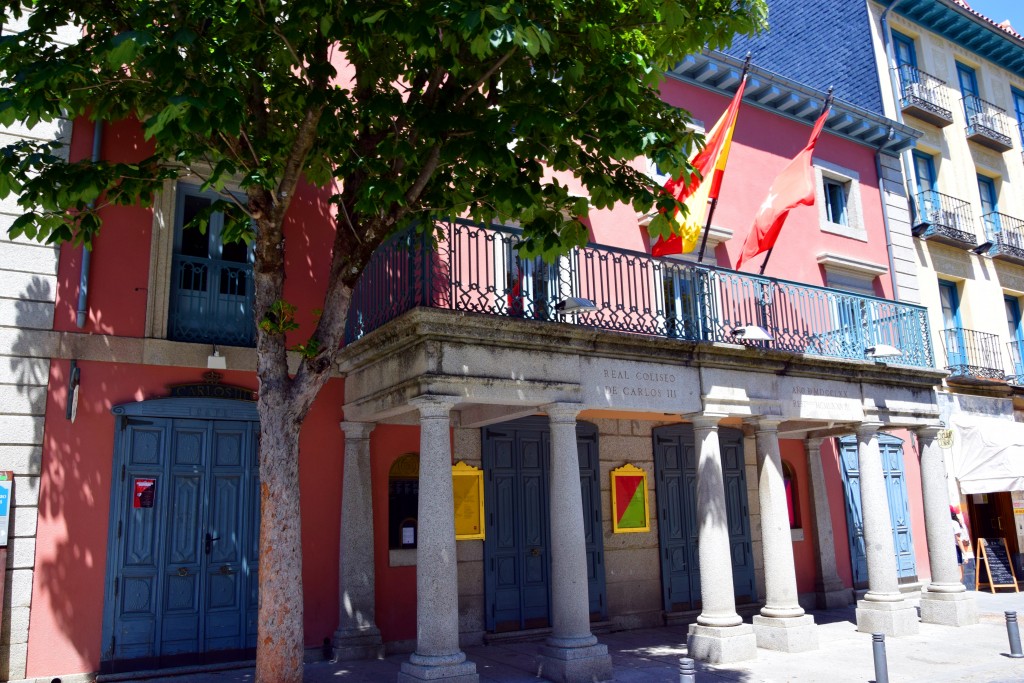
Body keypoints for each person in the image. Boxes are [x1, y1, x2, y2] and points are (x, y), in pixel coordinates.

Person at [951, 504, 968, 579]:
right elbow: (958, 539)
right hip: (955, 548)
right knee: (959, 572)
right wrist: (965, 554)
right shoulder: (954, 523)